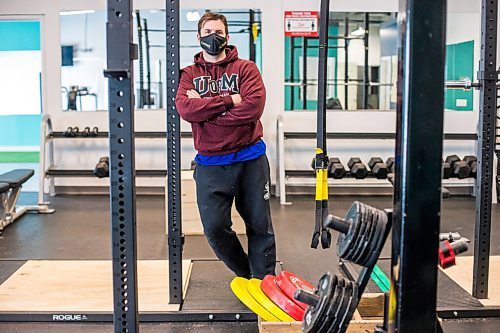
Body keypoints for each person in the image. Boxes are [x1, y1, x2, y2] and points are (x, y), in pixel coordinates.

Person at [175, 12, 276, 280]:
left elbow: (253, 108)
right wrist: (230, 100)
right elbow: (186, 109)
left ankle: (265, 284)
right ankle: (247, 276)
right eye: (207, 32)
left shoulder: (246, 69)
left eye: (218, 32)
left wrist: (206, 112)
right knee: (215, 229)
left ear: (227, 36)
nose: (213, 37)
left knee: (260, 227)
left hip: (250, 160)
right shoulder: (189, 74)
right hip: (210, 164)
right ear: (198, 38)